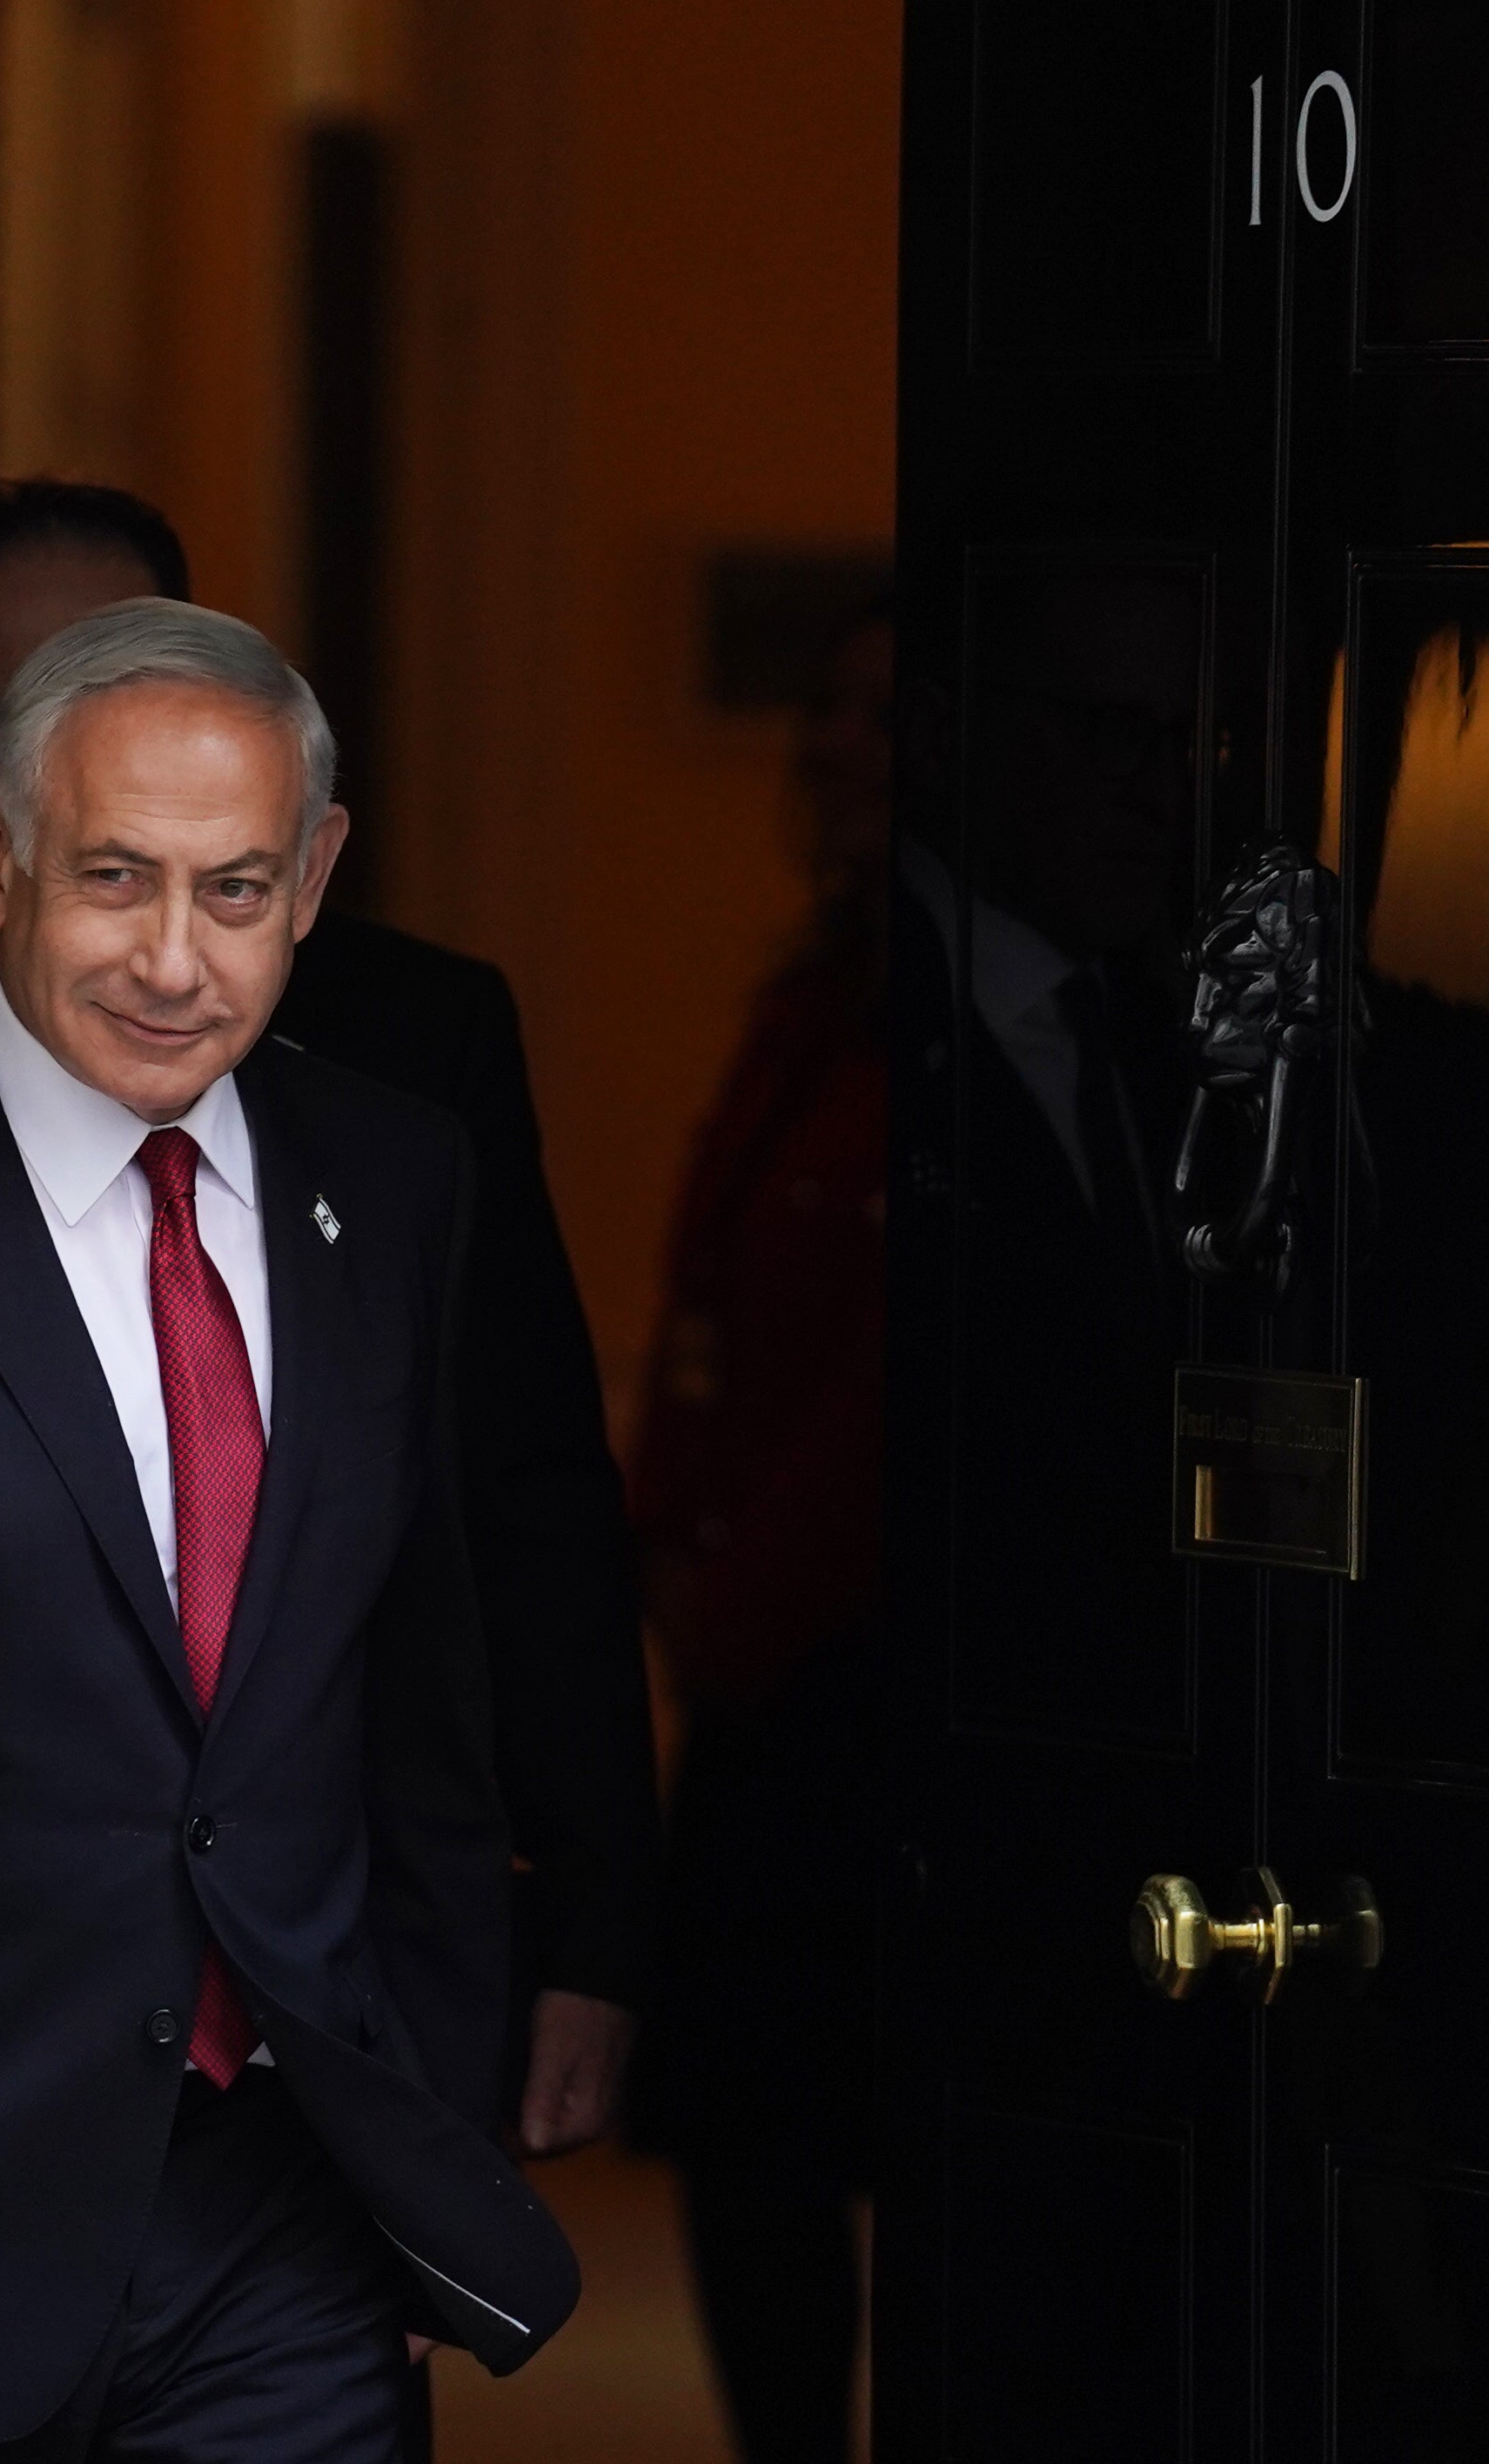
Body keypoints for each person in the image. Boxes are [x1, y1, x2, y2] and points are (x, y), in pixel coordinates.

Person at [0, 602, 575, 2459]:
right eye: (112, 879)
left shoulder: (392, 1182)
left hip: (281, 2218)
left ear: (315, 879)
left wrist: (420, 2163)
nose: (171, 959)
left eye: (233, 892)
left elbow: (423, 1715)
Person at [0, 479, 657, 2164]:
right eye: (48, 732)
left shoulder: (397, 1119)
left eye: (229, 880)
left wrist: (580, 1928)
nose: (169, 952)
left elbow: (502, 1521)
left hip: (309, 2131)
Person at [623, 606, 891, 2464]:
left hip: (864, 1692)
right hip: (758, 1688)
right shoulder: (813, 1004)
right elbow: (710, 1320)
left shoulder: (973, 1030)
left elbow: (896, 1389)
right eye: (836, 718)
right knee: (753, 2156)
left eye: (889, 721)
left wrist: (729, 1605)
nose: (846, 758)